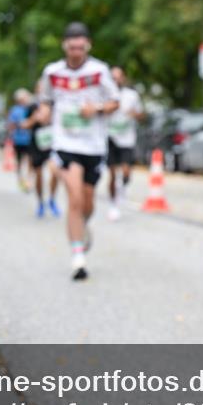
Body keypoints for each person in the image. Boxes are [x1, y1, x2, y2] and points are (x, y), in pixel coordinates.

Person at [37, 22, 119, 280]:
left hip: (93, 144)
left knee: (87, 201)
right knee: (73, 197)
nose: (76, 52)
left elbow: (114, 102)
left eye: (80, 47)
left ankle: (82, 226)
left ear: (87, 46)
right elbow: (46, 101)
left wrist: (95, 109)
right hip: (65, 143)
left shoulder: (99, 70)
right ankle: (77, 258)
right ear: (65, 46)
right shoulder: (52, 72)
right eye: (72, 47)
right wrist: (44, 113)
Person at [105, 67, 145, 220]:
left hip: (127, 138)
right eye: (112, 78)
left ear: (123, 78)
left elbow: (141, 115)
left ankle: (122, 189)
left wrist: (134, 114)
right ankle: (113, 204)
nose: (115, 81)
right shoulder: (105, 95)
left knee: (127, 172)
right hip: (110, 137)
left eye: (118, 77)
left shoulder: (131, 95)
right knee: (113, 174)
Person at [23, 83, 61, 218]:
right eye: (40, 88)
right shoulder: (32, 106)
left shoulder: (55, 104)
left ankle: (52, 199)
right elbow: (24, 125)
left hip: (52, 143)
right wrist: (34, 118)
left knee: (55, 172)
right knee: (38, 174)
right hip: (37, 144)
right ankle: (40, 202)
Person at [7, 89, 34, 191]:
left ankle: (28, 180)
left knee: (30, 160)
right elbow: (11, 125)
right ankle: (20, 178)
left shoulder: (30, 108)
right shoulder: (15, 110)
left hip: (29, 139)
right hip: (18, 139)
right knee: (19, 161)